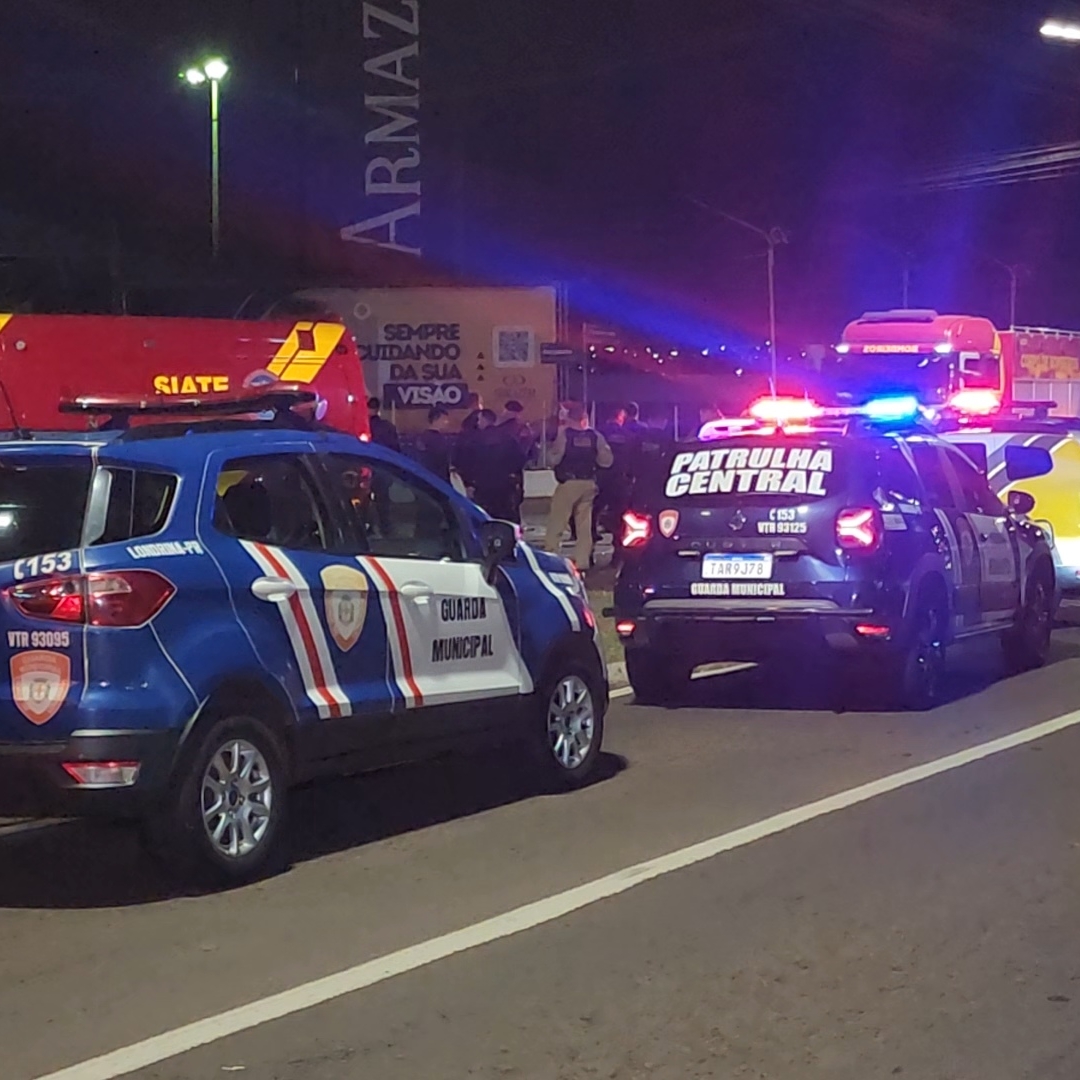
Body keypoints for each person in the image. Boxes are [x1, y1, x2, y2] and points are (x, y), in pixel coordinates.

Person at [545, 401, 613, 570]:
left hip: (569, 484)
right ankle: (582, 562)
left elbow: (554, 458)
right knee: (584, 526)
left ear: (569, 418)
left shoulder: (565, 435)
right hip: (589, 483)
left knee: (557, 523)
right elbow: (606, 461)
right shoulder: (595, 436)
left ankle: (550, 557)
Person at [496, 399, 535, 523]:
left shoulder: (501, 429)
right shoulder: (523, 429)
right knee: (515, 501)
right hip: (516, 470)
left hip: (501, 468)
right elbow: (529, 449)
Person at [454, 407, 495, 499]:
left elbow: (462, 461)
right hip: (497, 484)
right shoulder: (505, 437)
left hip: (475, 483)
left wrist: (469, 483)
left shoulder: (468, 439)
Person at [415, 406, 452, 484]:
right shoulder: (439, 439)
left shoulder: (422, 437)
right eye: (444, 419)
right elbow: (442, 459)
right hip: (438, 479)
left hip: (424, 477)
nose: (447, 422)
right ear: (435, 419)